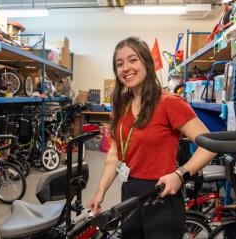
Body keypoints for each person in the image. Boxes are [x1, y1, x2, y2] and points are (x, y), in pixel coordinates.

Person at [87, 36, 217, 239]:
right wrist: (100, 190)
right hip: (129, 192)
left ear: (147, 62)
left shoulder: (169, 103)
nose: (126, 68)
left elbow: (210, 145)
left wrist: (180, 174)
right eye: (119, 64)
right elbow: (115, 153)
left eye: (133, 60)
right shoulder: (123, 105)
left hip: (162, 194)